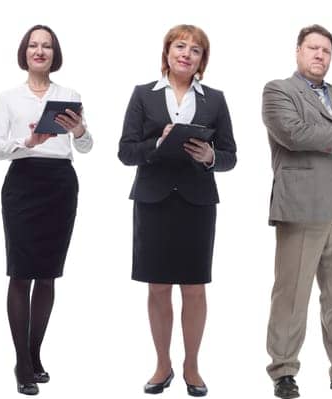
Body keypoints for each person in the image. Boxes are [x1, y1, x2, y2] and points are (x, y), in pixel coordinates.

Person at [118, 24, 237, 398]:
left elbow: (231, 155)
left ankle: (192, 366)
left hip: (196, 201)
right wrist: (159, 142)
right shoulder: (143, 95)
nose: (186, 53)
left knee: (195, 288)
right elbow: (125, 151)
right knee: (157, 286)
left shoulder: (215, 99)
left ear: (203, 60)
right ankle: (162, 364)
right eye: (180, 46)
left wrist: (210, 156)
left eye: (196, 50)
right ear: (167, 52)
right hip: (153, 200)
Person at [260, 24, 332, 399]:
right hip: (301, 207)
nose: (319, 55)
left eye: (326, 50)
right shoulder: (279, 91)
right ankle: (283, 371)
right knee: (292, 295)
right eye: (312, 48)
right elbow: (293, 134)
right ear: (298, 51)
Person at [0, 24, 92, 396]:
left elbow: (87, 147)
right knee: (21, 273)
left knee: (47, 275)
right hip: (23, 183)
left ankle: (34, 354)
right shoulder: (9, 98)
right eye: (33, 45)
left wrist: (79, 130)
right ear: (25, 52)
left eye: (46, 46)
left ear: (54, 53)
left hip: (60, 185)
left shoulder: (70, 94)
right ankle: (21, 362)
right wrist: (28, 141)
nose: (40, 51)